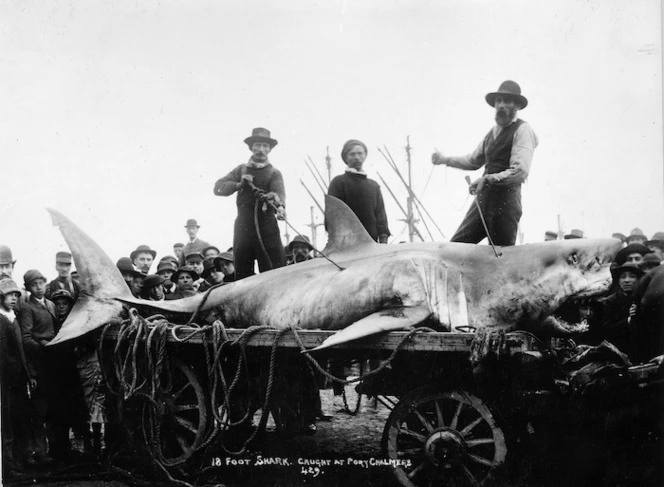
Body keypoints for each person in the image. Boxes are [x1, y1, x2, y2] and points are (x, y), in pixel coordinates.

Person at [432, 80, 538, 246]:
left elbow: (520, 171)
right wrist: (444, 160)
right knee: (457, 248)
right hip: (483, 201)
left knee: (501, 257)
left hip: (506, 204)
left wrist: (487, 180)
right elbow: (473, 160)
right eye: (498, 101)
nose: (501, 105)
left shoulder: (523, 130)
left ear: (517, 105)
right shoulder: (491, 134)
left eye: (507, 101)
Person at [213, 127, 287, 279]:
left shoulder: (274, 173)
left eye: (265, 146)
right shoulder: (241, 169)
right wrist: (239, 184)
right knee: (242, 273)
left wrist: (279, 206)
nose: (261, 149)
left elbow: (279, 195)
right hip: (243, 226)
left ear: (270, 149)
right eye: (258, 145)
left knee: (276, 272)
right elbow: (218, 188)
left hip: (267, 227)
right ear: (251, 147)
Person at [18, 270, 57, 465]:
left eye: (41, 282)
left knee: (52, 408)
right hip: (39, 363)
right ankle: (38, 452)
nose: (39, 287)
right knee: (38, 410)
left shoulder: (50, 304)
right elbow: (26, 338)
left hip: (53, 364)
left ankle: (53, 450)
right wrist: (43, 346)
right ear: (28, 288)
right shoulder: (27, 308)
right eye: (34, 284)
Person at [328, 140, 390, 243]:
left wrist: (383, 239)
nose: (357, 157)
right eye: (352, 154)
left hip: (372, 244)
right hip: (346, 244)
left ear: (365, 156)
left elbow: (381, 216)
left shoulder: (373, 186)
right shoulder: (338, 182)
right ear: (346, 158)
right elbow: (332, 217)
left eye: (360, 153)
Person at [0, 278, 33, 475]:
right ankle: (8, 464)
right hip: (6, 380)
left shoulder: (14, 317)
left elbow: (21, 352)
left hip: (18, 379)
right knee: (6, 422)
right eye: (9, 295)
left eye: (16, 295)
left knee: (19, 418)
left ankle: (20, 460)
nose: (13, 298)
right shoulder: (2, 320)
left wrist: (27, 375)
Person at [599, 263, 643, 353]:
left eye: (632, 276)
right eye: (623, 277)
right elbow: (608, 329)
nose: (627, 280)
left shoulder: (643, 299)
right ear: (618, 281)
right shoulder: (611, 301)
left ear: (639, 280)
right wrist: (629, 320)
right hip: (619, 350)